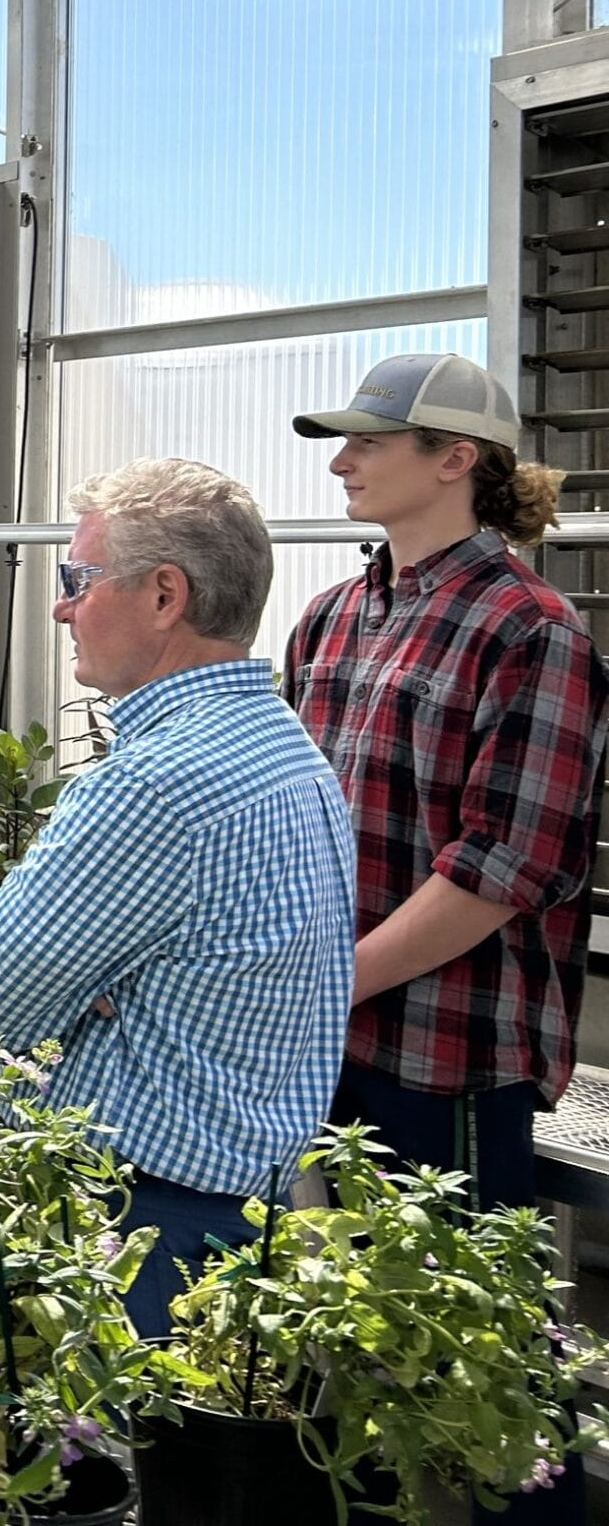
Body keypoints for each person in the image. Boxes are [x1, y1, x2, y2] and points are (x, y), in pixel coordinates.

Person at [0, 458, 353, 1339]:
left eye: (78, 580)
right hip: (242, 1204)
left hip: (134, 1223)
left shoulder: (160, 781)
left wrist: (93, 987)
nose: (61, 607)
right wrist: (100, 982)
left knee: (89, 1453)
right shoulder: (289, 751)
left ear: (165, 594)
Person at [284, 360, 606, 1364]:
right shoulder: (331, 616)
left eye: (369, 442)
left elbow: (498, 867)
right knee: (351, 1354)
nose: (342, 462)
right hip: (323, 1041)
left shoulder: (532, 629)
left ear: (455, 458)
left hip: (445, 1053)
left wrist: (328, 980)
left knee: (482, 1364)